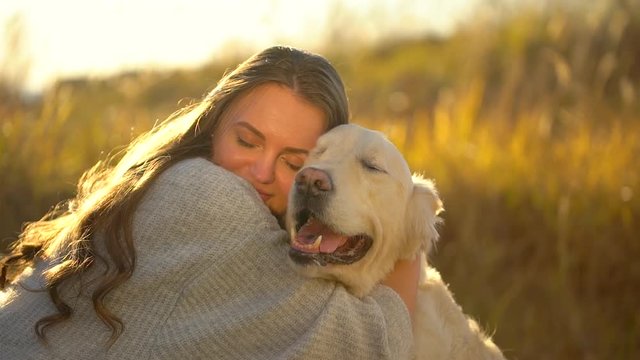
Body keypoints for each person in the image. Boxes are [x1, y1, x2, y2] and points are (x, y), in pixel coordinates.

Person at [0, 45, 419, 359]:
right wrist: (407, 234)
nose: (262, 172)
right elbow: (370, 343)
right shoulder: (207, 198)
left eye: (295, 163)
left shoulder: (156, 180)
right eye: (247, 141)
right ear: (213, 124)